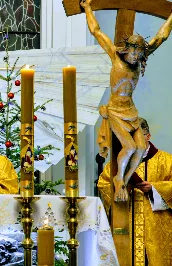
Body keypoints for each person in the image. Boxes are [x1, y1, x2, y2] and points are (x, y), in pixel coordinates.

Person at [81, 0, 172, 201]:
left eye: (139, 55)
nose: (135, 58)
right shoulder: (115, 55)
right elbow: (96, 31)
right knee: (129, 147)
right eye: (133, 53)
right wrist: (87, 8)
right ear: (127, 49)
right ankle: (119, 179)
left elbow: (161, 36)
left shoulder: (140, 57)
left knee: (140, 147)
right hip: (115, 109)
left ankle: (124, 178)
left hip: (131, 110)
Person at [98, 118, 172, 266]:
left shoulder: (167, 161)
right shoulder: (116, 163)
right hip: (125, 228)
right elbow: (103, 184)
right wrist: (121, 187)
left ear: (148, 136)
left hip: (156, 230)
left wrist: (154, 189)